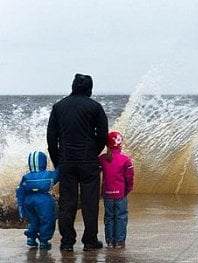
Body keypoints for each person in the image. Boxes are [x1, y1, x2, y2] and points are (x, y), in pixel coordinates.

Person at [47, 73, 108, 251]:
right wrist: (93, 152)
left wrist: (58, 160)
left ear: (73, 86)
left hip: (66, 160)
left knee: (67, 202)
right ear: (90, 89)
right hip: (88, 160)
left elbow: (51, 137)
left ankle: (67, 243)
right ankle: (90, 241)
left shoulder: (59, 107)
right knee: (90, 202)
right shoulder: (95, 107)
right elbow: (103, 135)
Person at [16, 151, 59, 250]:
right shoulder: (48, 175)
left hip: (28, 200)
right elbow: (58, 173)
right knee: (47, 220)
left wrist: (21, 205)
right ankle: (44, 241)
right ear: (44, 162)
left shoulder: (26, 177)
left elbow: (20, 191)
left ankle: (31, 238)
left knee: (33, 220)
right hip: (44, 201)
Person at [99, 131, 135, 249]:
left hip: (107, 194)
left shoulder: (103, 159)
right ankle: (119, 242)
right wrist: (128, 189)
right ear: (120, 144)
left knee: (109, 217)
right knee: (121, 217)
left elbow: (95, 173)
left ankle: (109, 242)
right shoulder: (125, 159)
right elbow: (129, 178)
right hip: (121, 194)